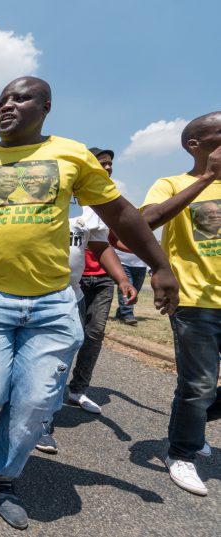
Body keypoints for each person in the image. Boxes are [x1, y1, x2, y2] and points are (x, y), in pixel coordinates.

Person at [0, 76, 178, 529]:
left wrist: (160, 266)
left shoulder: (72, 154)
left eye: (20, 97)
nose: (6, 104)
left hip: (51, 303)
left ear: (45, 106)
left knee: (34, 402)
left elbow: (120, 213)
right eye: (1, 99)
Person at [138, 111, 221, 496]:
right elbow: (145, 221)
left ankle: (194, 422)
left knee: (199, 393)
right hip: (196, 300)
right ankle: (182, 452)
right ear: (196, 145)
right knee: (198, 384)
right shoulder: (171, 183)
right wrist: (207, 178)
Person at [35, 152, 138, 454]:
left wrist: (122, 278)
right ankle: (19, 405)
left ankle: (43, 420)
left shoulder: (88, 208)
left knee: (62, 358)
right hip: (35, 294)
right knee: (37, 360)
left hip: (72, 296)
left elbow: (99, 245)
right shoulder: (37, 200)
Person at [111, 239, 148, 325]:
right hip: (123, 263)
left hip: (141, 264)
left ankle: (121, 313)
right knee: (126, 290)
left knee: (135, 292)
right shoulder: (121, 228)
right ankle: (128, 314)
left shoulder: (145, 230)